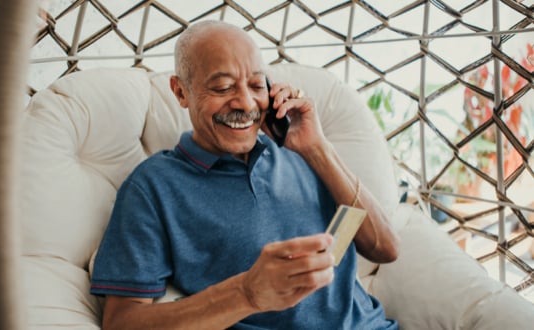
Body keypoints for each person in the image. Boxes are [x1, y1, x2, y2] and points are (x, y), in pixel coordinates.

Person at [90, 20, 400, 329]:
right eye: (222, 87)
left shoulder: (302, 153)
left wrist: (317, 148)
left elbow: (385, 248)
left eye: (255, 85)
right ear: (181, 92)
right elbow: (121, 323)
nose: (245, 103)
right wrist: (246, 293)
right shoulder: (153, 186)